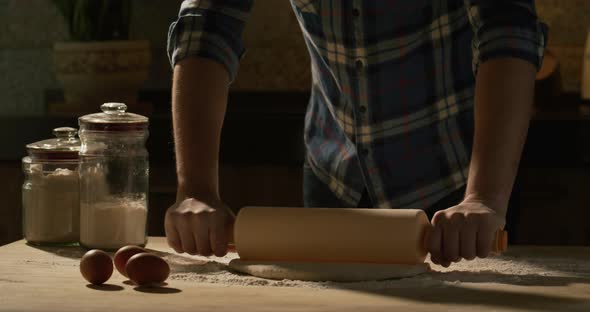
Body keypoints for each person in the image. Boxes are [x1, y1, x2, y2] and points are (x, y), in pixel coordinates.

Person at [164, 0, 547, 268]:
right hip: (335, 174)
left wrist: (483, 198)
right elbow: (207, 27)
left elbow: (507, 29)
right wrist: (196, 189)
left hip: (459, 193)